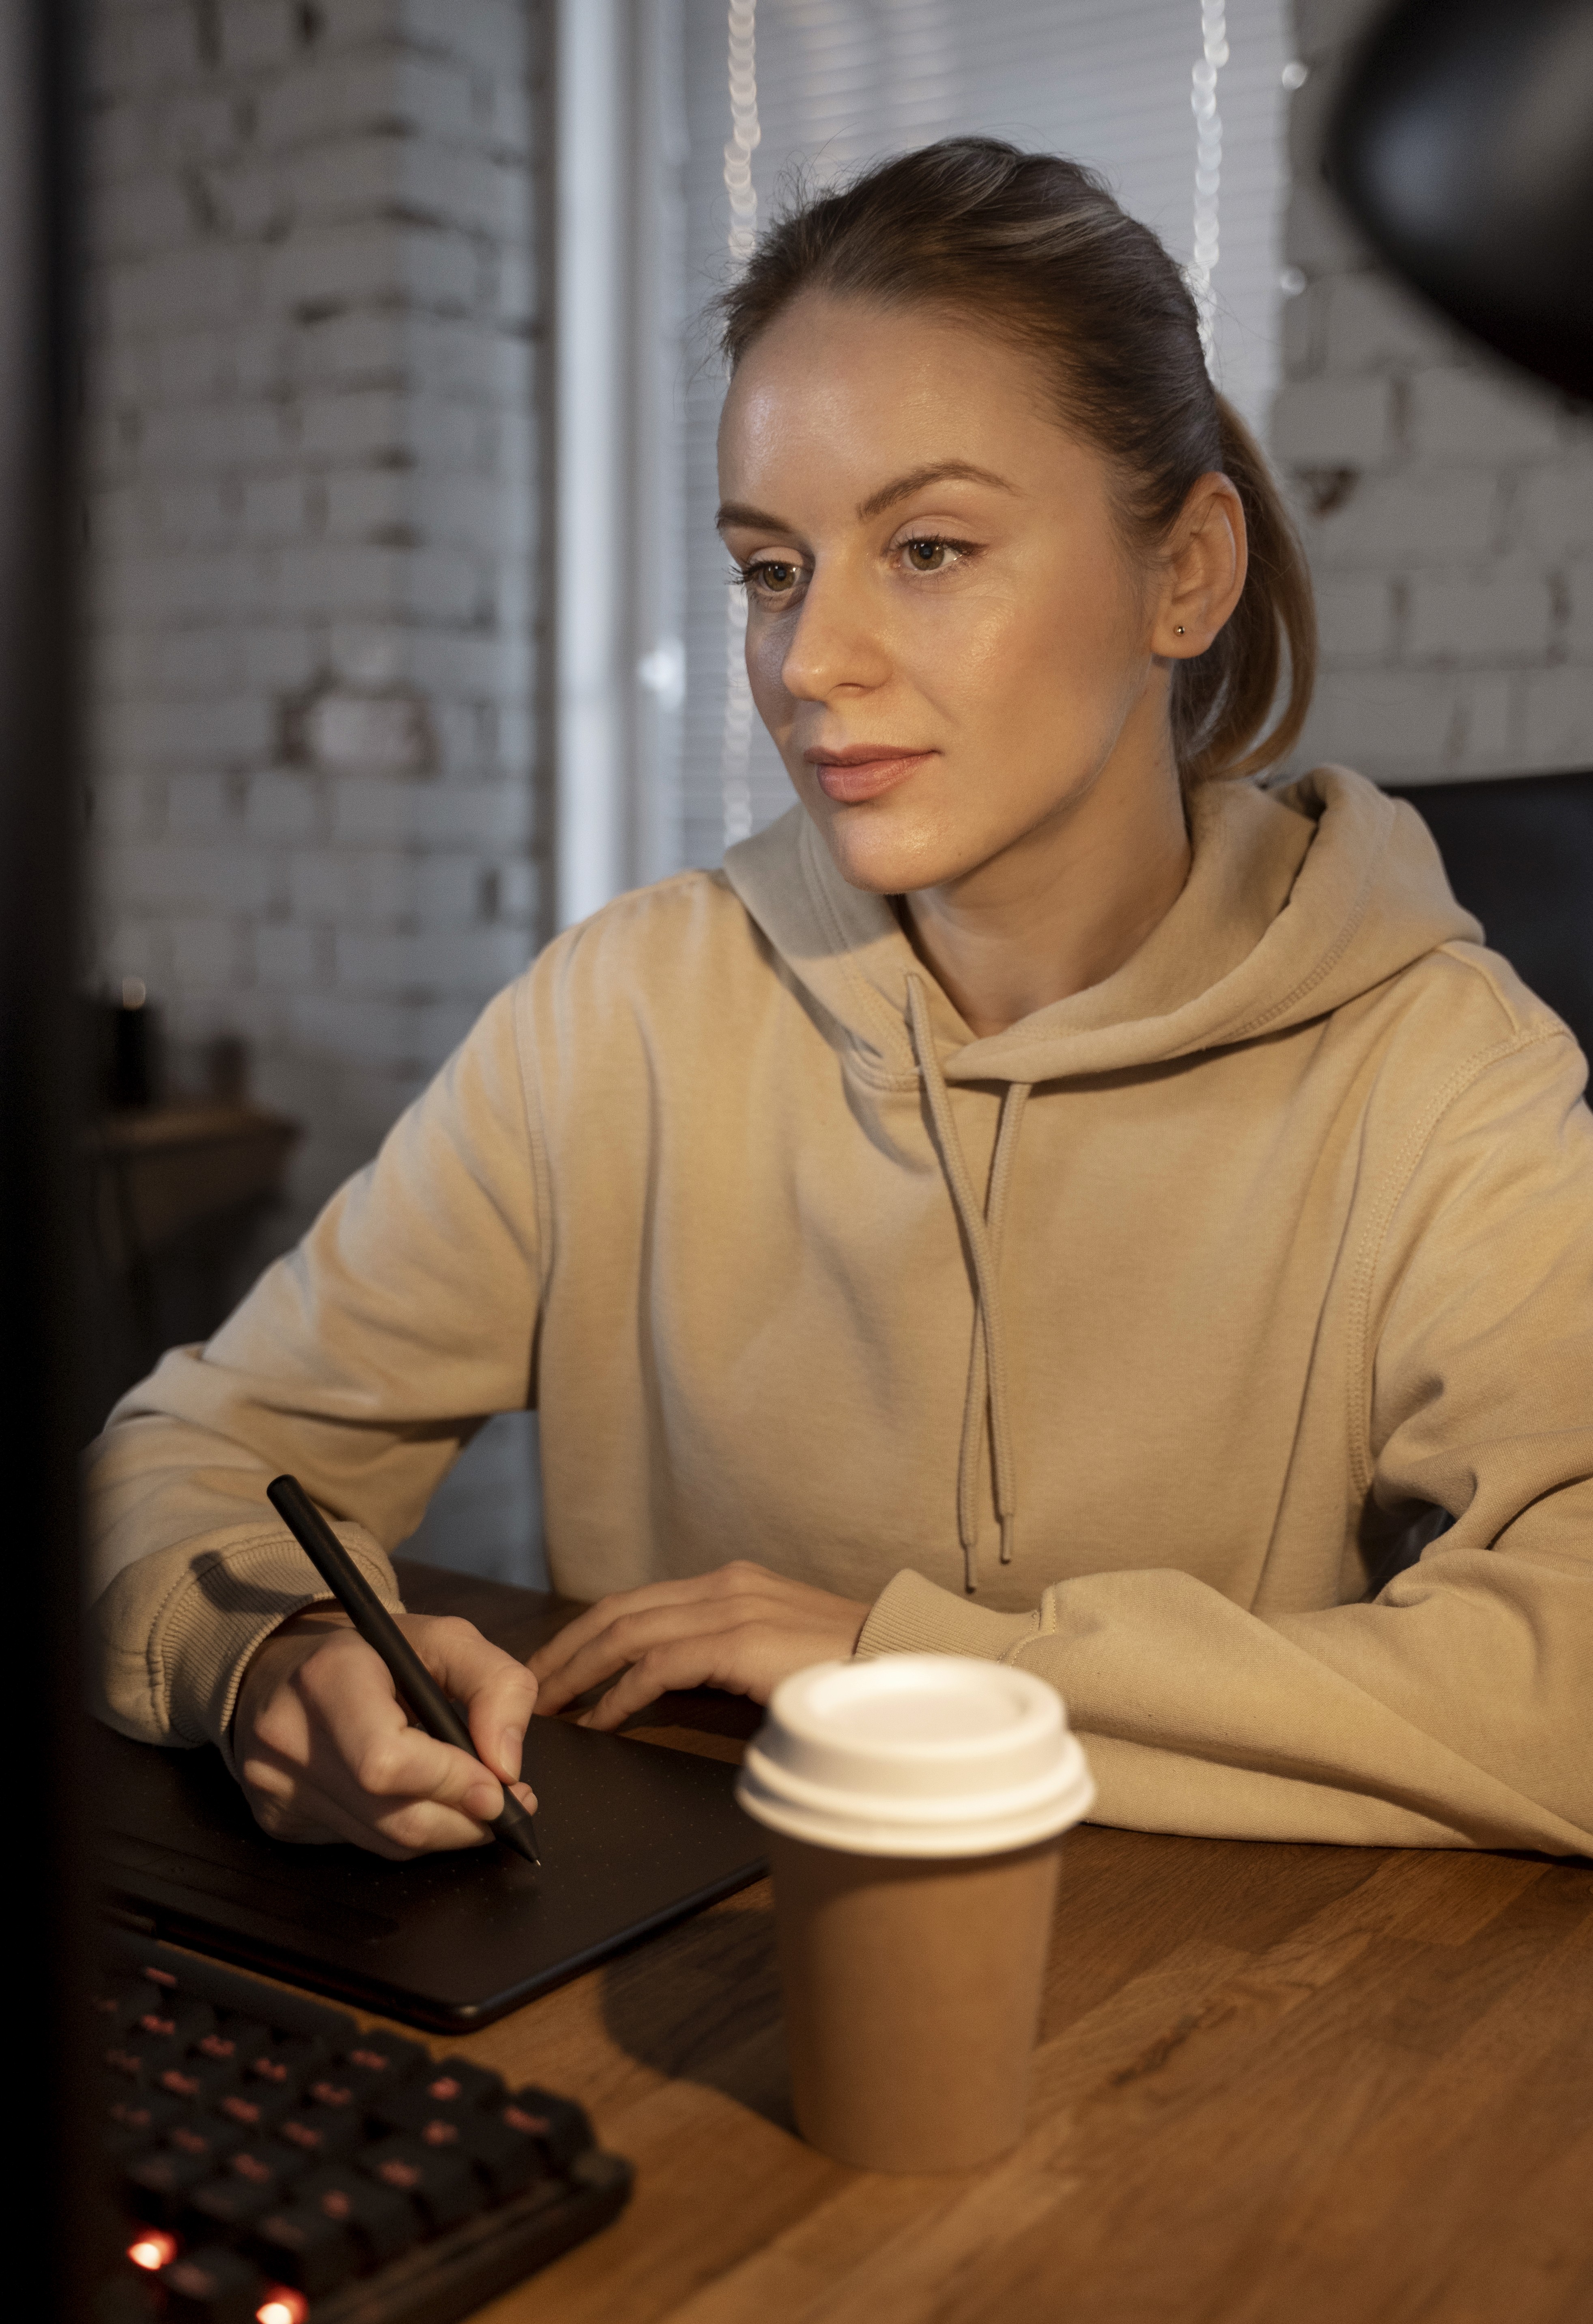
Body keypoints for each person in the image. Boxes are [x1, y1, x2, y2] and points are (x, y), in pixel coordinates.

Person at [87, 140, 1593, 1863]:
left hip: (1196, 2028)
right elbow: (187, 1458)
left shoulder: (1426, 1061)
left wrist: (915, 1661)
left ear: (1185, 573)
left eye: (931, 547)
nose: (806, 665)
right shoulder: (628, 1011)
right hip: (684, 1992)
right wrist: (266, 1650)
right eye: (770, 568)